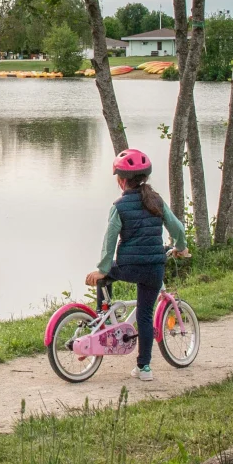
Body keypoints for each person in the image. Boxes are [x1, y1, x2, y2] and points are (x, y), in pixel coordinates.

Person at [84, 149, 190, 379]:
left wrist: (102, 270)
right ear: (144, 178)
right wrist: (181, 247)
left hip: (129, 267)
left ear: (121, 181)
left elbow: (109, 240)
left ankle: (101, 320)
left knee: (107, 275)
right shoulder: (156, 202)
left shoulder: (119, 207)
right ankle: (144, 368)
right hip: (154, 269)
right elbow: (177, 229)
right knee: (144, 315)